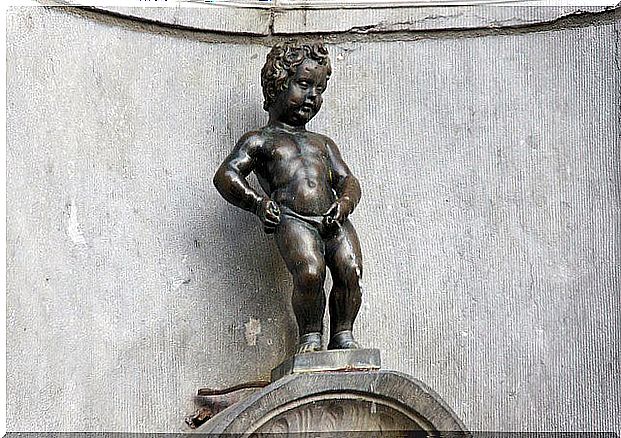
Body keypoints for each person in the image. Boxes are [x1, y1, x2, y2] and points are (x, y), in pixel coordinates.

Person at [213, 41, 363, 354]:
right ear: (277, 85)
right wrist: (257, 203)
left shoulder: (322, 143)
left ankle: (343, 335)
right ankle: (310, 336)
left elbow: (348, 180)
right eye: (304, 84)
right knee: (310, 272)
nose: (312, 96)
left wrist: (345, 203)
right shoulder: (260, 140)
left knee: (350, 270)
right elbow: (226, 175)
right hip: (292, 218)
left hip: (333, 218)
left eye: (319, 88)